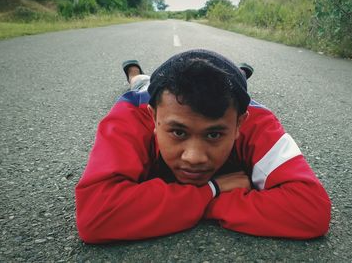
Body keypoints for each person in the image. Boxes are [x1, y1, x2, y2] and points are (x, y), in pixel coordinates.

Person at [75, 49, 331, 243]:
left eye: (214, 135)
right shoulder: (132, 114)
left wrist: (182, 205)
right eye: (178, 132)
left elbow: (311, 210)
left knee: (235, 83)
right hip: (143, 92)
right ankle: (134, 72)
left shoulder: (257, 121)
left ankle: (240, 75)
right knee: (142, 83)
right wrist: (211, 190)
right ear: (153, 117)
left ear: (240, 123)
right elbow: (97, 216)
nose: (194, 157)